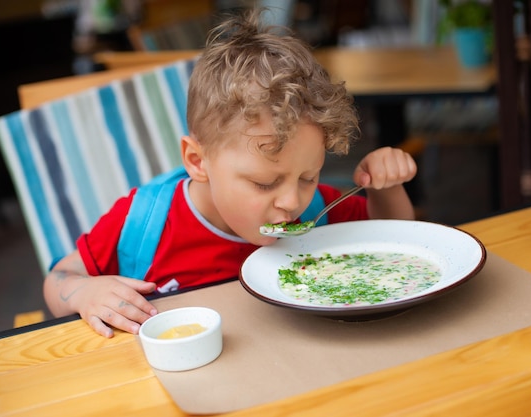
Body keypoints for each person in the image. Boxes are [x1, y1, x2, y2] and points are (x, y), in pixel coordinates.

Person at [43, 10, 418, 338]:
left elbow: (392, 241)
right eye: (264, 183)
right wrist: (87, 294)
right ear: (197, 161)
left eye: (308, 176)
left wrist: (387, 188)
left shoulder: (317, 207)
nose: (292, 200)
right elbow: (59, 279)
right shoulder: (142, 223)